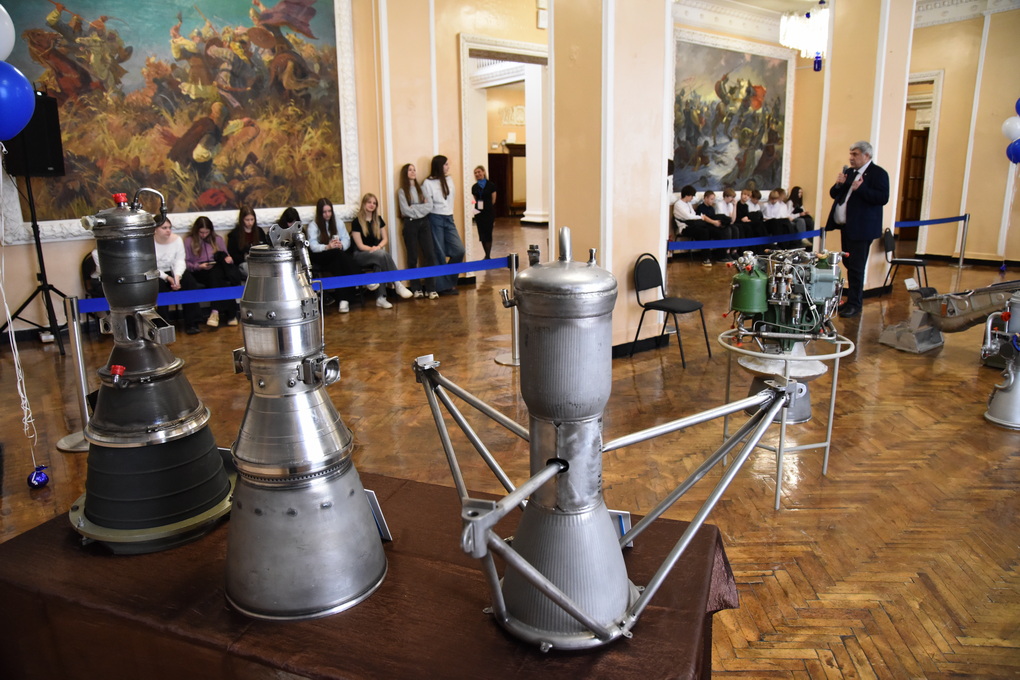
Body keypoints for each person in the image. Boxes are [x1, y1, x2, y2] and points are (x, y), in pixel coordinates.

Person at [824, 140, 890, 319]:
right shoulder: (850, 172)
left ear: (866, 155)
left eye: (855, 154)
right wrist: (838, 184)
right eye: (851, 154)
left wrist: (861, 188)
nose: (851, 158)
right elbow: (834, 194)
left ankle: (855, 304)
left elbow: (883, 198)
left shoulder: (878, 173)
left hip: (862, 229)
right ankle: (851, 300)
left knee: (856, 267)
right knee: (849, 264)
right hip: (846, 227)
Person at [349, 193, 414, 309]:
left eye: (374, 203)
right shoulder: (356, 222)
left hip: (376, 254)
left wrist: (378, 247)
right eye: (369, 202)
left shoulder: (378, 220)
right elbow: (360, 245)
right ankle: (397, 283)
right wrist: (374, 249)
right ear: (363, 204)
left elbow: (385, 239)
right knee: (382, 255)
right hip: (360, 254)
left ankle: (381, 298)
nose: (372, 205)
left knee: (379, 262)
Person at [305, 198, 361, 313]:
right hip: (320, 256)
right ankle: (360, 277)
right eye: (324, 212)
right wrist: (327, 247)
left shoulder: (338, 222)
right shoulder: (313, 225)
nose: (327, 214)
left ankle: (343, 300)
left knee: (338, 264)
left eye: (329, 211)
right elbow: (313, 246)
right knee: (338, 255)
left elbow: (346, 239)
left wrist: (341, 245)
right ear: (320, 213)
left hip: (336, 256)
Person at [184, 215, 240, 327]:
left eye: (207, 232)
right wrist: (198, 266)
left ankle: (215, 312)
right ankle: (231, 315)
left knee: (217, 273)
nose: (204, 235)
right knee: (220, 279)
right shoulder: (189, 241)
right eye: (201, 232)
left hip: (216, 267)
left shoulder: (218, 239)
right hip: (199, 271)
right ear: (196, 230)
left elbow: (226, 256)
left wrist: (229, 259)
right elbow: (186, 263)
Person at [422, 155, 465, 295]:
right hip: (435, 217)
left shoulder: (449, 180)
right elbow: (428, 203)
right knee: (438, 253)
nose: (448, 167)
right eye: (445, 164)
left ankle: (449, 282)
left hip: (449, 218)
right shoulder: (428, 183)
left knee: (459, 250)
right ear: (439, 166)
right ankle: (443, 287)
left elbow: (450, 199)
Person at [154, 217, 203, 334]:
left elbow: (180, 261)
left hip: (175, 271)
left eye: (169, 227)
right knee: (158, 287)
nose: (168, 230)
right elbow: (150, 265)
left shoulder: (177, 240)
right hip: (157, 273)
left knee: (190, 283)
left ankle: (192, 323)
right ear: (155, 229)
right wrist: (167, 278)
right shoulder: (147, 242)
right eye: (164, 228)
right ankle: (163, 325)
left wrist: (177, 277)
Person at [398, 163, 439, 299]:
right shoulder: (402, 191)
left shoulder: (422, 189)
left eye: (414, 169)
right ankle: (416, 288)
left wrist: (414, 208)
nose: (413, 172)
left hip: (424, 223)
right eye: (410, 170)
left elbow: (429, 206)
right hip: (410, 225)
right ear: (405, 173)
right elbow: (405, 210)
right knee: (413, 256)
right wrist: (420, 208)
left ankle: (431, 288)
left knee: (430, 254)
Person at [672, 184, 716, 267]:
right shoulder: (678, 204)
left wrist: (700, 217)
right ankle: (705, 257)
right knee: (703, 232)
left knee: (709, 229)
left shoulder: (688, 204)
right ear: (687, 195)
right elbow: (688, 216)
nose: (692, 198)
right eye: (691, 196)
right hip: (685, 227)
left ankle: (708, 254)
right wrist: (701, 217)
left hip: (692, 225)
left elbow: (693, 214)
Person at [226, 204, 267, 279]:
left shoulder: (259, 231)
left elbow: (266, 247)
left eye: (252, 219)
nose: (250, 223)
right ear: (242, 220)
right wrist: (245, 256)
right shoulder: (234, 234)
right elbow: (232, 254)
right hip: (244, 263)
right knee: (249, 269)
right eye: (247, 220)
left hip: (260, 261)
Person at [695, 190, 737, 262]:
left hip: (713, 225)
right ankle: (722, 255)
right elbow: (703, 217)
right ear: (705, 198)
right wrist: (714, 222)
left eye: (713, 199)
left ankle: (728, 252)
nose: (713, 201)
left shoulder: (711, 208)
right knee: (724, 231)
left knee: (729, 229)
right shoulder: (701, 207)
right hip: (705, 227)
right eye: (711, 199)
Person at [470, 165, 498, 259]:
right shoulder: (474, 187)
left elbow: (493, 200)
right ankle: (486, 254)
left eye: (479, 172)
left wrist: (487, 206)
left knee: (488, 232)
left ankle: (488, 255)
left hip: (488, 212)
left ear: (483, 172)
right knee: (481, 233)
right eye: (475, 173)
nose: (477, 174)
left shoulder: (491, 185)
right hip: (478, 212)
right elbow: (475, 199)